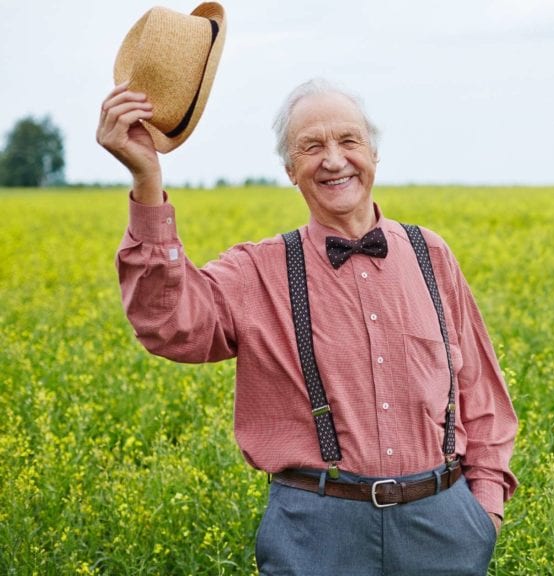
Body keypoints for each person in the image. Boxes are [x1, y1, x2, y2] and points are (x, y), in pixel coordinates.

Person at [97, 77, 518, 574]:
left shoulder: (430, 254)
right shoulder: (257, 270)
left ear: (374, 155)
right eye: (312, 146)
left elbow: (481, 393)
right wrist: (147, 180)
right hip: (316, 532)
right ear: (290, 170)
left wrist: (483, 511)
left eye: (349, 141)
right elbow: (170, 324)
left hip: (444, 526)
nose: (334, 160)